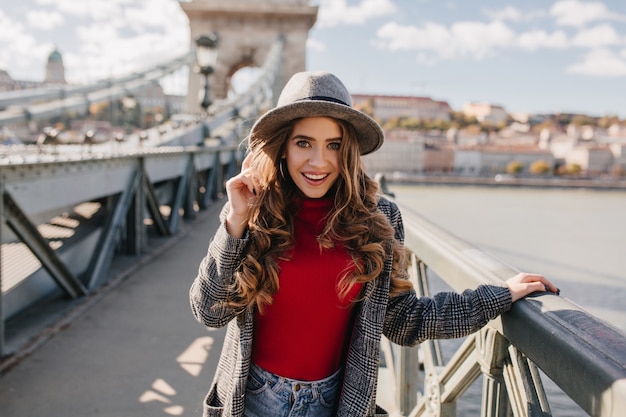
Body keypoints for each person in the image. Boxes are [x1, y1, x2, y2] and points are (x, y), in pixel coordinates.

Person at [189, 71, 559, 417]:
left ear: (348, 149)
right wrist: (235, 224)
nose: (319, 161)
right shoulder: (253, 208)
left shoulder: (378, 219)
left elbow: (404, 320)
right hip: (253, 399)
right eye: (304, 143)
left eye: (333, 145)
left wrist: (498, 296)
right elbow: (209, 311)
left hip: (334, 401)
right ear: (282, 147)